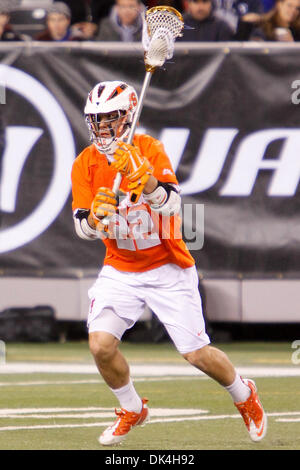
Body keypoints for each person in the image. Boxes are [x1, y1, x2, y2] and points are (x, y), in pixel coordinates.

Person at [71, 79, 268, 446]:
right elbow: (82, 227)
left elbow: (174, 205)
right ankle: (132, 408)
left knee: (196, 354)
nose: (101, 127)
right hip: (120, 267)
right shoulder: (85, 163)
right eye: (95, 120)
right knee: (100, 345)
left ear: (127, 117)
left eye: (110, 118)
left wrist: (143, 180)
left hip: (167, 267)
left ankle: (244, 395)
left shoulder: (148, 148)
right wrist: (95, 219)